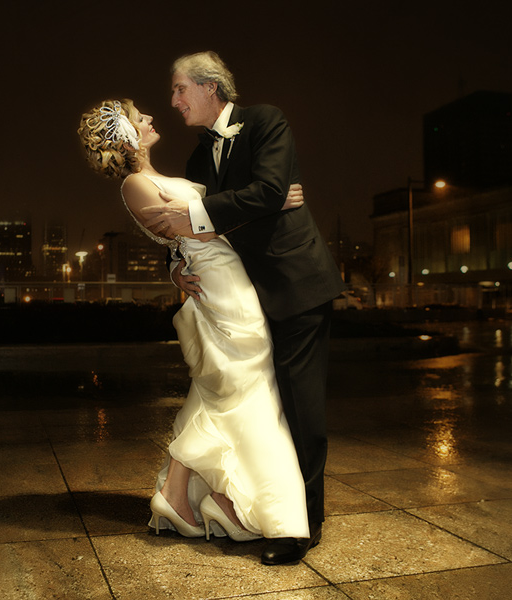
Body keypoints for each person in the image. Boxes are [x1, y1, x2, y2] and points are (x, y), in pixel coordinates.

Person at [77, 99, 311, 549]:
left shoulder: (158, 176)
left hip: (224, 275)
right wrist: (270, 202)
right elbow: (182, 232)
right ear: (127, 136)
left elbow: (186, 231)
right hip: (218, 286)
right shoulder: (134, 184)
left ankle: (181, 493)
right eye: (139, 117)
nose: (149, 118)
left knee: (224, 385)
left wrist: (175, 265)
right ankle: (214, 499)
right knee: (243, 382)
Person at [142, 51, 346, 565]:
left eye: (179, 89)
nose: (173, 101)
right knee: (263, 411)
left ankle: (302, 525)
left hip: (296, 286)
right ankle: (252, 507)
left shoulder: (264, 120)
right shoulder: (195, 160)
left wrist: (207, 210)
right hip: (242, 300)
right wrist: (175, 269)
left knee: (301, 409)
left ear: (210, 87)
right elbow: (198, 229)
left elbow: (267, 190)